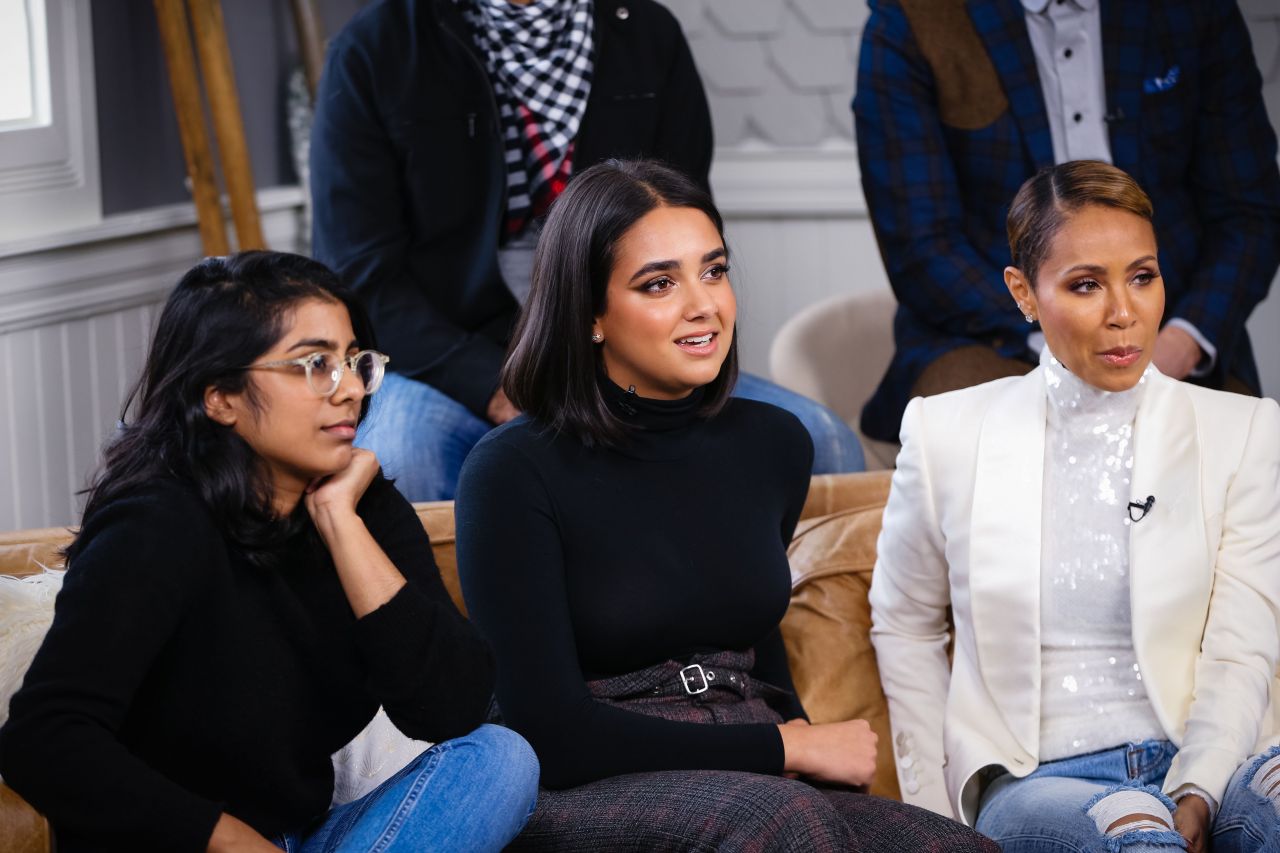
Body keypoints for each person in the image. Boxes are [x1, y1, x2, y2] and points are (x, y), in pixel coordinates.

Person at [454, 159, 997, 851]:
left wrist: (805, 756)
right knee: (780, 822)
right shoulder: (510, 470)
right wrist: (788, 749)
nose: (703, 304)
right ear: (589, 313)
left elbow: (752, 635)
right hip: (585, 784)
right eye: (659, 283)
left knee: (958, 847)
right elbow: (549, 733)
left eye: (713, 270)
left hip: (746, 750)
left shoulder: (771, 444)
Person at [0, 252, 539, 852]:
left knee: (500, 759)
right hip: (177, 843)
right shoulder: (156, 525)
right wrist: (223, 837)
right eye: (315, 364)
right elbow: (42, 737)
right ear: (220, 396)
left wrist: (339, 522)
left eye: (356, 362)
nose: (353, 389)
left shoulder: (364, 507)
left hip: (301, 836)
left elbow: (452, 710)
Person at [869, 161, 1280, 853]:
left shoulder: (1243, 430)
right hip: (1038, 780)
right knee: (1136, 834)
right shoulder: (945, 432)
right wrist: (933, 818)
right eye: (1086, 284)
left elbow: (1243, 643)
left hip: (1211, 760)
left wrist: (1198, 788)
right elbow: (904, 626)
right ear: (1024, 293)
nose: (1124, 312)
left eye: (1143, 276)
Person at [310, 0, 863, 502]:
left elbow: (686, 230)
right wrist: (494, 383)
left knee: (823, 442)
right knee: (408, 456)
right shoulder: (377, 48)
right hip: (448, 359)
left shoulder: (646, 33)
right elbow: (364, 277)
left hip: (623, 342)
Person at [853, 0, 1280, 443]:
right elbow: (921, 247)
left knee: (1225, 454)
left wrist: (1181, 341)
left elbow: (1248, 213)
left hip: (1171, 337)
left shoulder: (1193, 12)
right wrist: (1056, 343)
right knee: (995, 447)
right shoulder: (913, 20)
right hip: (993, 336)